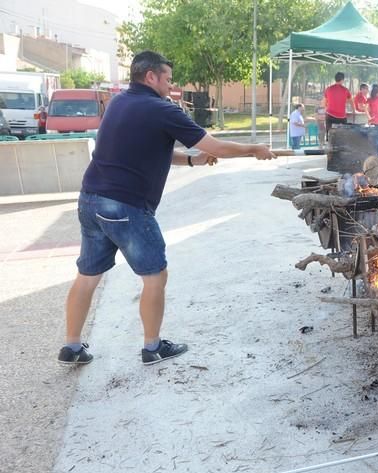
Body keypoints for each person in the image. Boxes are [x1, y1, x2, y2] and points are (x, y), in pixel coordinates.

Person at [58, 50, 276, 367]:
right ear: (151, 76)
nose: (170, 86)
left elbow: (149, 149)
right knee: (155, 276)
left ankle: (72, 347)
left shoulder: (118, 103)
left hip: (90, 200)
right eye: (168, 79)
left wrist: (191, 160)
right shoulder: (161, 109)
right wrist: (254, 148)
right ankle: (153, 347)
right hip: (125, 206)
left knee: (88, 275)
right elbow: (214, 146)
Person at [321, 72, 352, 140]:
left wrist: (326, 107)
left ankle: (330, 148)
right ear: (342, 80)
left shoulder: (328, 89)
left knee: (329, 136)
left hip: (330, 115)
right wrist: (354, 111)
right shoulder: (346, 90)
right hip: (341, 117)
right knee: (342, 137)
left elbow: (323, 103)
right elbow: (351, 102)